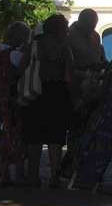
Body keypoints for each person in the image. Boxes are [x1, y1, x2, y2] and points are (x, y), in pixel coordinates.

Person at [21, 14, 74, 188]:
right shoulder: (64, 47)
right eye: (65, 28)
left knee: (34, 137)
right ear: (59, 29)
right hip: (57, 93)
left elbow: (22, 67)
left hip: (35, 93)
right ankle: (54, 177)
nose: (67, 31)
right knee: (56, 138)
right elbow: (69, 74)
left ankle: (32, 176)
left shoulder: (33, 45)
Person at [0, 21, 30, 185]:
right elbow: (20, 72)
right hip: (14, 99)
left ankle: (2, 173)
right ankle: (18, 174)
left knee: (3, 136)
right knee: (18, 137)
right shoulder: (15, 54)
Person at [64, 9, 106, 175]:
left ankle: (86, 164)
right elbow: (68, 66)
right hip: (76, 90)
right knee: (76, 128)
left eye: (94, 24)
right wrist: (86, 70)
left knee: (92, 127)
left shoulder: (96, 36)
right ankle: (71, 163)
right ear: (81, 21)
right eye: (90, 24)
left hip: (95, 87)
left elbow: (100, 58)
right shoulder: (68, 37)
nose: (92, 27)